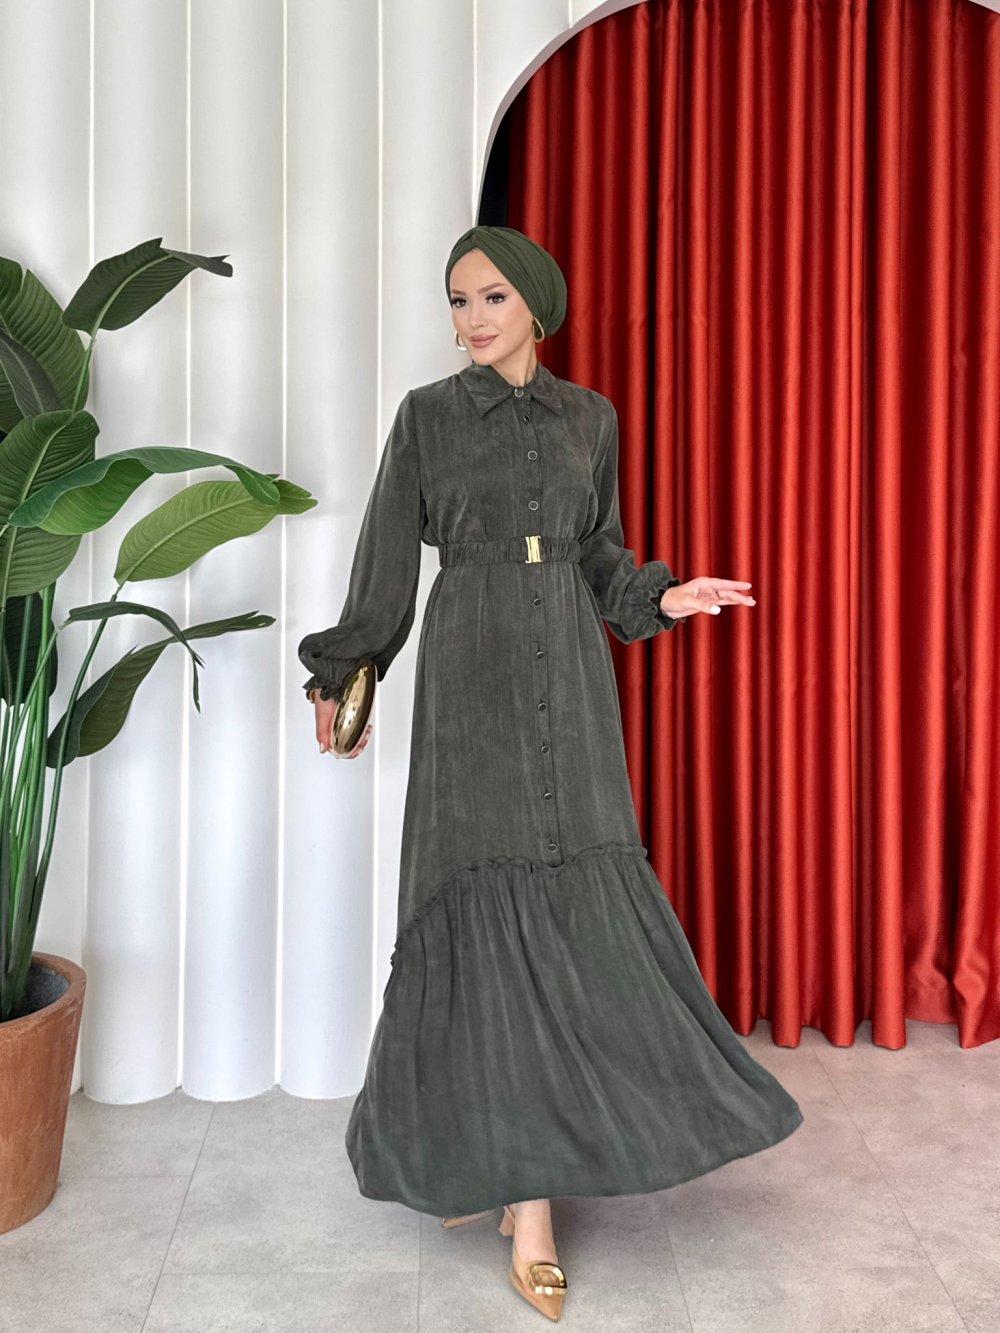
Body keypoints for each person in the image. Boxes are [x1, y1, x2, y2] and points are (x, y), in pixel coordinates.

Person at [299, 224, 803, 1322]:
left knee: (577, 911)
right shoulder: (426, 418)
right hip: (471, 671)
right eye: (456, 300)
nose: (471, 318)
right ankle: (522, 1201)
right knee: (484, 914)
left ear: (535, 303)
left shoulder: (591, 419)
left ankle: (517, 1162)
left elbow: (600, 555)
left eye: (490, 296)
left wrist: (661, 595)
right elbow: (384, 564)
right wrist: (344, 675)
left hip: (571, 675)